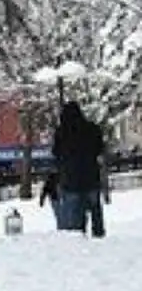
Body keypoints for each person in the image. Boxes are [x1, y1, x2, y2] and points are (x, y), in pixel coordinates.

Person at [53, 101, 107, 237]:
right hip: (91, 177)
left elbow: (56, 153)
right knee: (95, 209)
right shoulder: (93, 129)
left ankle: (79, 237)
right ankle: (98, 233)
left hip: (70, 180)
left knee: (74, 214)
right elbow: (100, 148)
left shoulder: (61, 132)